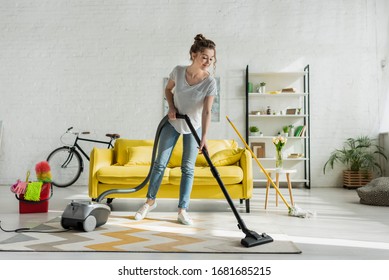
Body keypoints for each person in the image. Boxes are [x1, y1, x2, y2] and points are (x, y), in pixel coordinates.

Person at [134, 34, 217, 225]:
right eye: (204, 57)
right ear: (194, 55)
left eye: (211, 58)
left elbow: (207, 111)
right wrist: (171, 107)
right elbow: (167, 90)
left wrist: (204, 137)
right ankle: (150, 202)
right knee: (160, 164)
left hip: (193, 127)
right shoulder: (178, 72)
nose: (208, 61)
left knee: (188, 169)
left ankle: (182, 210)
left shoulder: (209, 82)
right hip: (172, 123)